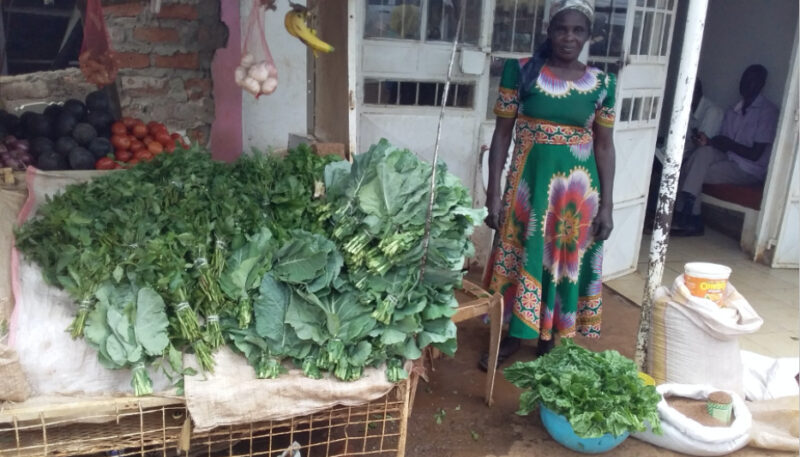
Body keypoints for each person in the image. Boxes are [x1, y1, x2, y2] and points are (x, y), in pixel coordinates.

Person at [479, 0, 616, 371]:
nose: (568, 37)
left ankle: (548, 337)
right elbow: (502, 135)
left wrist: (607, 205)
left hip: (577, 193)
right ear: (549, 32)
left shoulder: (603, 83)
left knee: (561, 260)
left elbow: (604, 145)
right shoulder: (521, 71)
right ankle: (512, 333)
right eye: (561, 29)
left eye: (578, 31)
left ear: (589, 36)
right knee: (524, 250)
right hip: (528, 184)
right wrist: (492, 194)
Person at [672, 64, 779, 237]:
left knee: (692, 169)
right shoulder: (733, 110)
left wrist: (728, 143)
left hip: (748, 169)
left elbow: (755, 154)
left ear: (761, 84)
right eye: (743, 79)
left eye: (751, 80)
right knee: (702, 153)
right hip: (727, 159)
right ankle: (691, 218)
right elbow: (723, 143)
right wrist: (709, 141)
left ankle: (687, 216)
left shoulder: (768, 112)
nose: (745, 84)